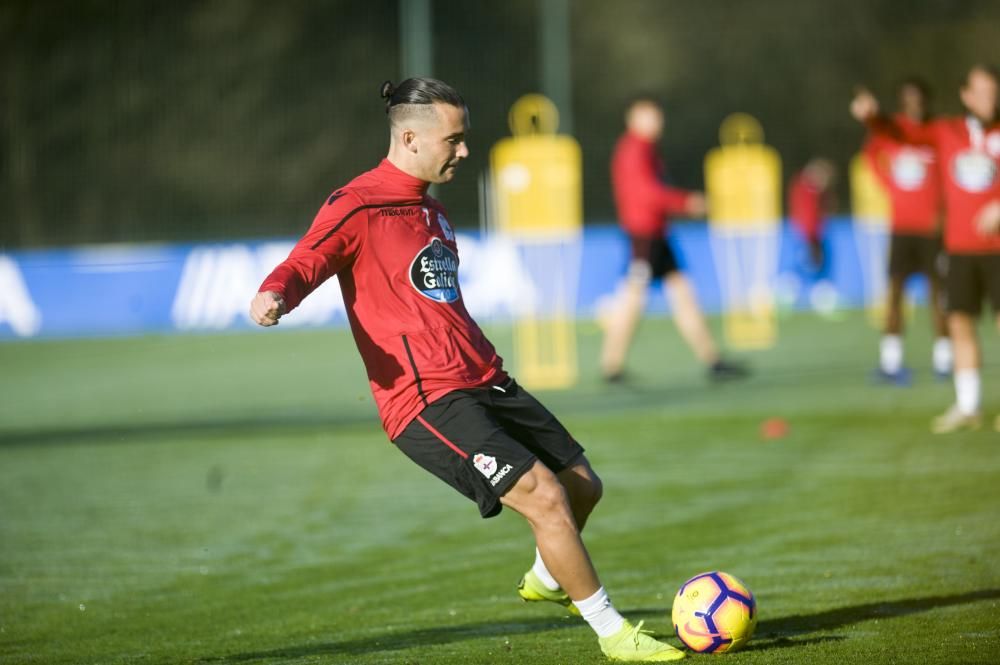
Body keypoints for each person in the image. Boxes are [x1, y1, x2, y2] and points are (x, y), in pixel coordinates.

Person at [249, 78, 686, 661]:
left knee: (583, 485)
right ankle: (614, 633)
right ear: (409, 137)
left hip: (484, 378)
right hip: (425, 399)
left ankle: (549, 579)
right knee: (545, 496)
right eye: (453, 140)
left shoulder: (431, 209)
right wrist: (275, 294)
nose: (463, 152)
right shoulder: (357, 204)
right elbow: (307, 259)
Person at [852, 64, 1000, 432]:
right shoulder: (948, 132)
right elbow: (902, 135)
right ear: (966, 96)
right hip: (960, 248)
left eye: (993, 92)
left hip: (998, 249)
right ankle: (968, 405)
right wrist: (872, 116)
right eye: (981, 92)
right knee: (960, 323)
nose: (988, 99)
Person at [600, 96, 747, 383]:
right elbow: (646, 192)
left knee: (682, 294)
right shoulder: (634, 150)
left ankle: (713, 360)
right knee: (633, 299)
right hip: (644, 236)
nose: (658, 122)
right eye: (650, 116)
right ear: (634, 120)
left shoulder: (647, 149)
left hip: (656, 234)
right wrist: (685, 202)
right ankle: (611, 365)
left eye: (658, 116)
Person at [857, 78, 950, 384]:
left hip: (933, 228)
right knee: (895, 294)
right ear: (901, 102)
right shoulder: (892, 131)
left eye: (919, 99)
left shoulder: (937, 132)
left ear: (927, 100)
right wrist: (889, 186)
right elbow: (871, 152)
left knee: (939, 295)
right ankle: (891, 362)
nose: (915, 105)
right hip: (901, 228)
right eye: (909, 99)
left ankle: (944, 360)